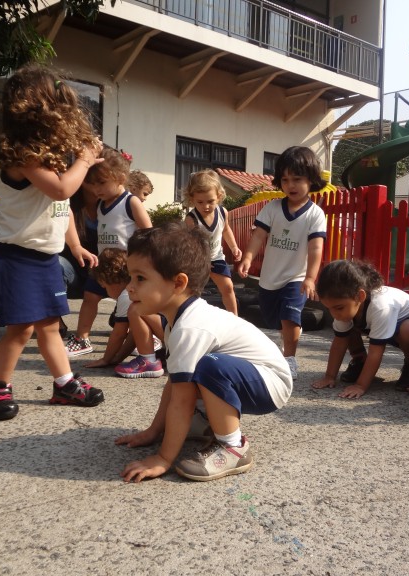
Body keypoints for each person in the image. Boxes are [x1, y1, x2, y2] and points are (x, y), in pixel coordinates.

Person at [115, 223, 293, 482]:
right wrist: (154, 431)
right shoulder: (178, 321)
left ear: (178, 283)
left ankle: (233, 446)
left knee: (210, 367)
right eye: (131, 277)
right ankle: (206, 422)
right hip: (254, 376)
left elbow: (182, 401)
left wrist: (163, 458)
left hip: (270, 383)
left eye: (140, 278)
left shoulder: (190, 327)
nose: (129, 287)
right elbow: (174, 386)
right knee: (191, 374)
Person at [0, 64, 105, 421]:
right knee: (20, 330)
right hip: (18, 257)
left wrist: (75, 246)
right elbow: (62, 190)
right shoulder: (23, 155)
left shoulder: (47, 159)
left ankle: (64, 384)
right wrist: (84, 160)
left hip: (45, 258)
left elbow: (60, 209)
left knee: (49, 327)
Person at [237, 146, 327, 380]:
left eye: (297, 179)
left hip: (296, 277)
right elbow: (258, 235)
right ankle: (287, 335)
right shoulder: (272, 208)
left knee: (290, 316)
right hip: (270, 278)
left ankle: (290, 359)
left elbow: (316, 247)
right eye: (285, 180)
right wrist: (248, 257)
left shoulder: (315, 214)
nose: (290, 185)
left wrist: (310, 278)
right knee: (273, 318)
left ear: (311, 179)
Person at [64, 146, 153, 357]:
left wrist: (143, 263)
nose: (96, 189)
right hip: (103, 264)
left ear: (120, 178)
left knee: (133, 304)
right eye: (92, 184)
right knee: (90, 296)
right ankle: (82, 338)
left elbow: (149, 232)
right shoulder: (101, 204)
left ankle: (146, 338)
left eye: (102, 183)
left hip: (126, 267)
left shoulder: (131, 202)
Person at [311, 260, 409, 399]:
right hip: (380, 325)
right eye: (328, 309)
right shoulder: (345, 306)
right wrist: (329, 376)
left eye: (338, 308)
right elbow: (339, 342)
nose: (334, 314)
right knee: (345, 326)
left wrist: (360, 385)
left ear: (360, 296)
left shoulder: (381, 306)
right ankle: (360, 361)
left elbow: (376, 351)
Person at [82, 248, 164, 378]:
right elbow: (135, 335)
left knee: (135, 311)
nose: (105, 291)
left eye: (104, 287)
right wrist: (118, 358)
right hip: (183, 338)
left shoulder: (126, 295)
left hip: (176, 336)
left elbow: (119, 334)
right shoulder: (142, 286)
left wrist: (106, 359)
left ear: (105, 280)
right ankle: (156, 356)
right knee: (137, 314)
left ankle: (149, 362)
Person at [183, 169, 242, 314]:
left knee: (228, 287)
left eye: (210, 201)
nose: (206, 206)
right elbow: (191, 243)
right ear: (192, 199)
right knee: (192, 292)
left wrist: (234, 247)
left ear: (219, 196)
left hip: (216, 257)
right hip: (198, 259)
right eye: (200, 202)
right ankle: (188, 316)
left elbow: (226, 230)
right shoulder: (191, 219)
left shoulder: (222, 212)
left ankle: (234, 318)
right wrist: (201, 261)